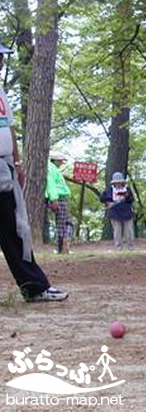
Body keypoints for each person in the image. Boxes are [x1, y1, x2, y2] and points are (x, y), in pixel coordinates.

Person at [0, 41, 68, 302]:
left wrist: (17, 164)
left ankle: (35, 287)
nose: (2, 63)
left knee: (14, 229)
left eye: (3, 58)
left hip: (4, 168)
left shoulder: (1, 91)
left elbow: (10, 129)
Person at [45, 151, 73, 254]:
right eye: (60, 161)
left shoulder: (53, 169)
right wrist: (54, 199)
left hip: (60, 198)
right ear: (55, 160)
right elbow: (51, 184)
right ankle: (63, 244)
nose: (61, 163)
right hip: (58, 198)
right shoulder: (50, 169)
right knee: (65, 223)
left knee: (63, 223)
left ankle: (62, 245)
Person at [100, 172, 135, 251]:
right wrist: (108, 203)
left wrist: (126, 197)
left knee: (129, 231)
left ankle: (131, 247)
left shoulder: (127, 189)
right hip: (114, 212)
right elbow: (102, 198)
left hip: (127, 212)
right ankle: (118, 247)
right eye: (117, 182)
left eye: (120, 182)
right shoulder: (109, 190)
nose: (118, 184)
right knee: (117, 231)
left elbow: (132, 200)